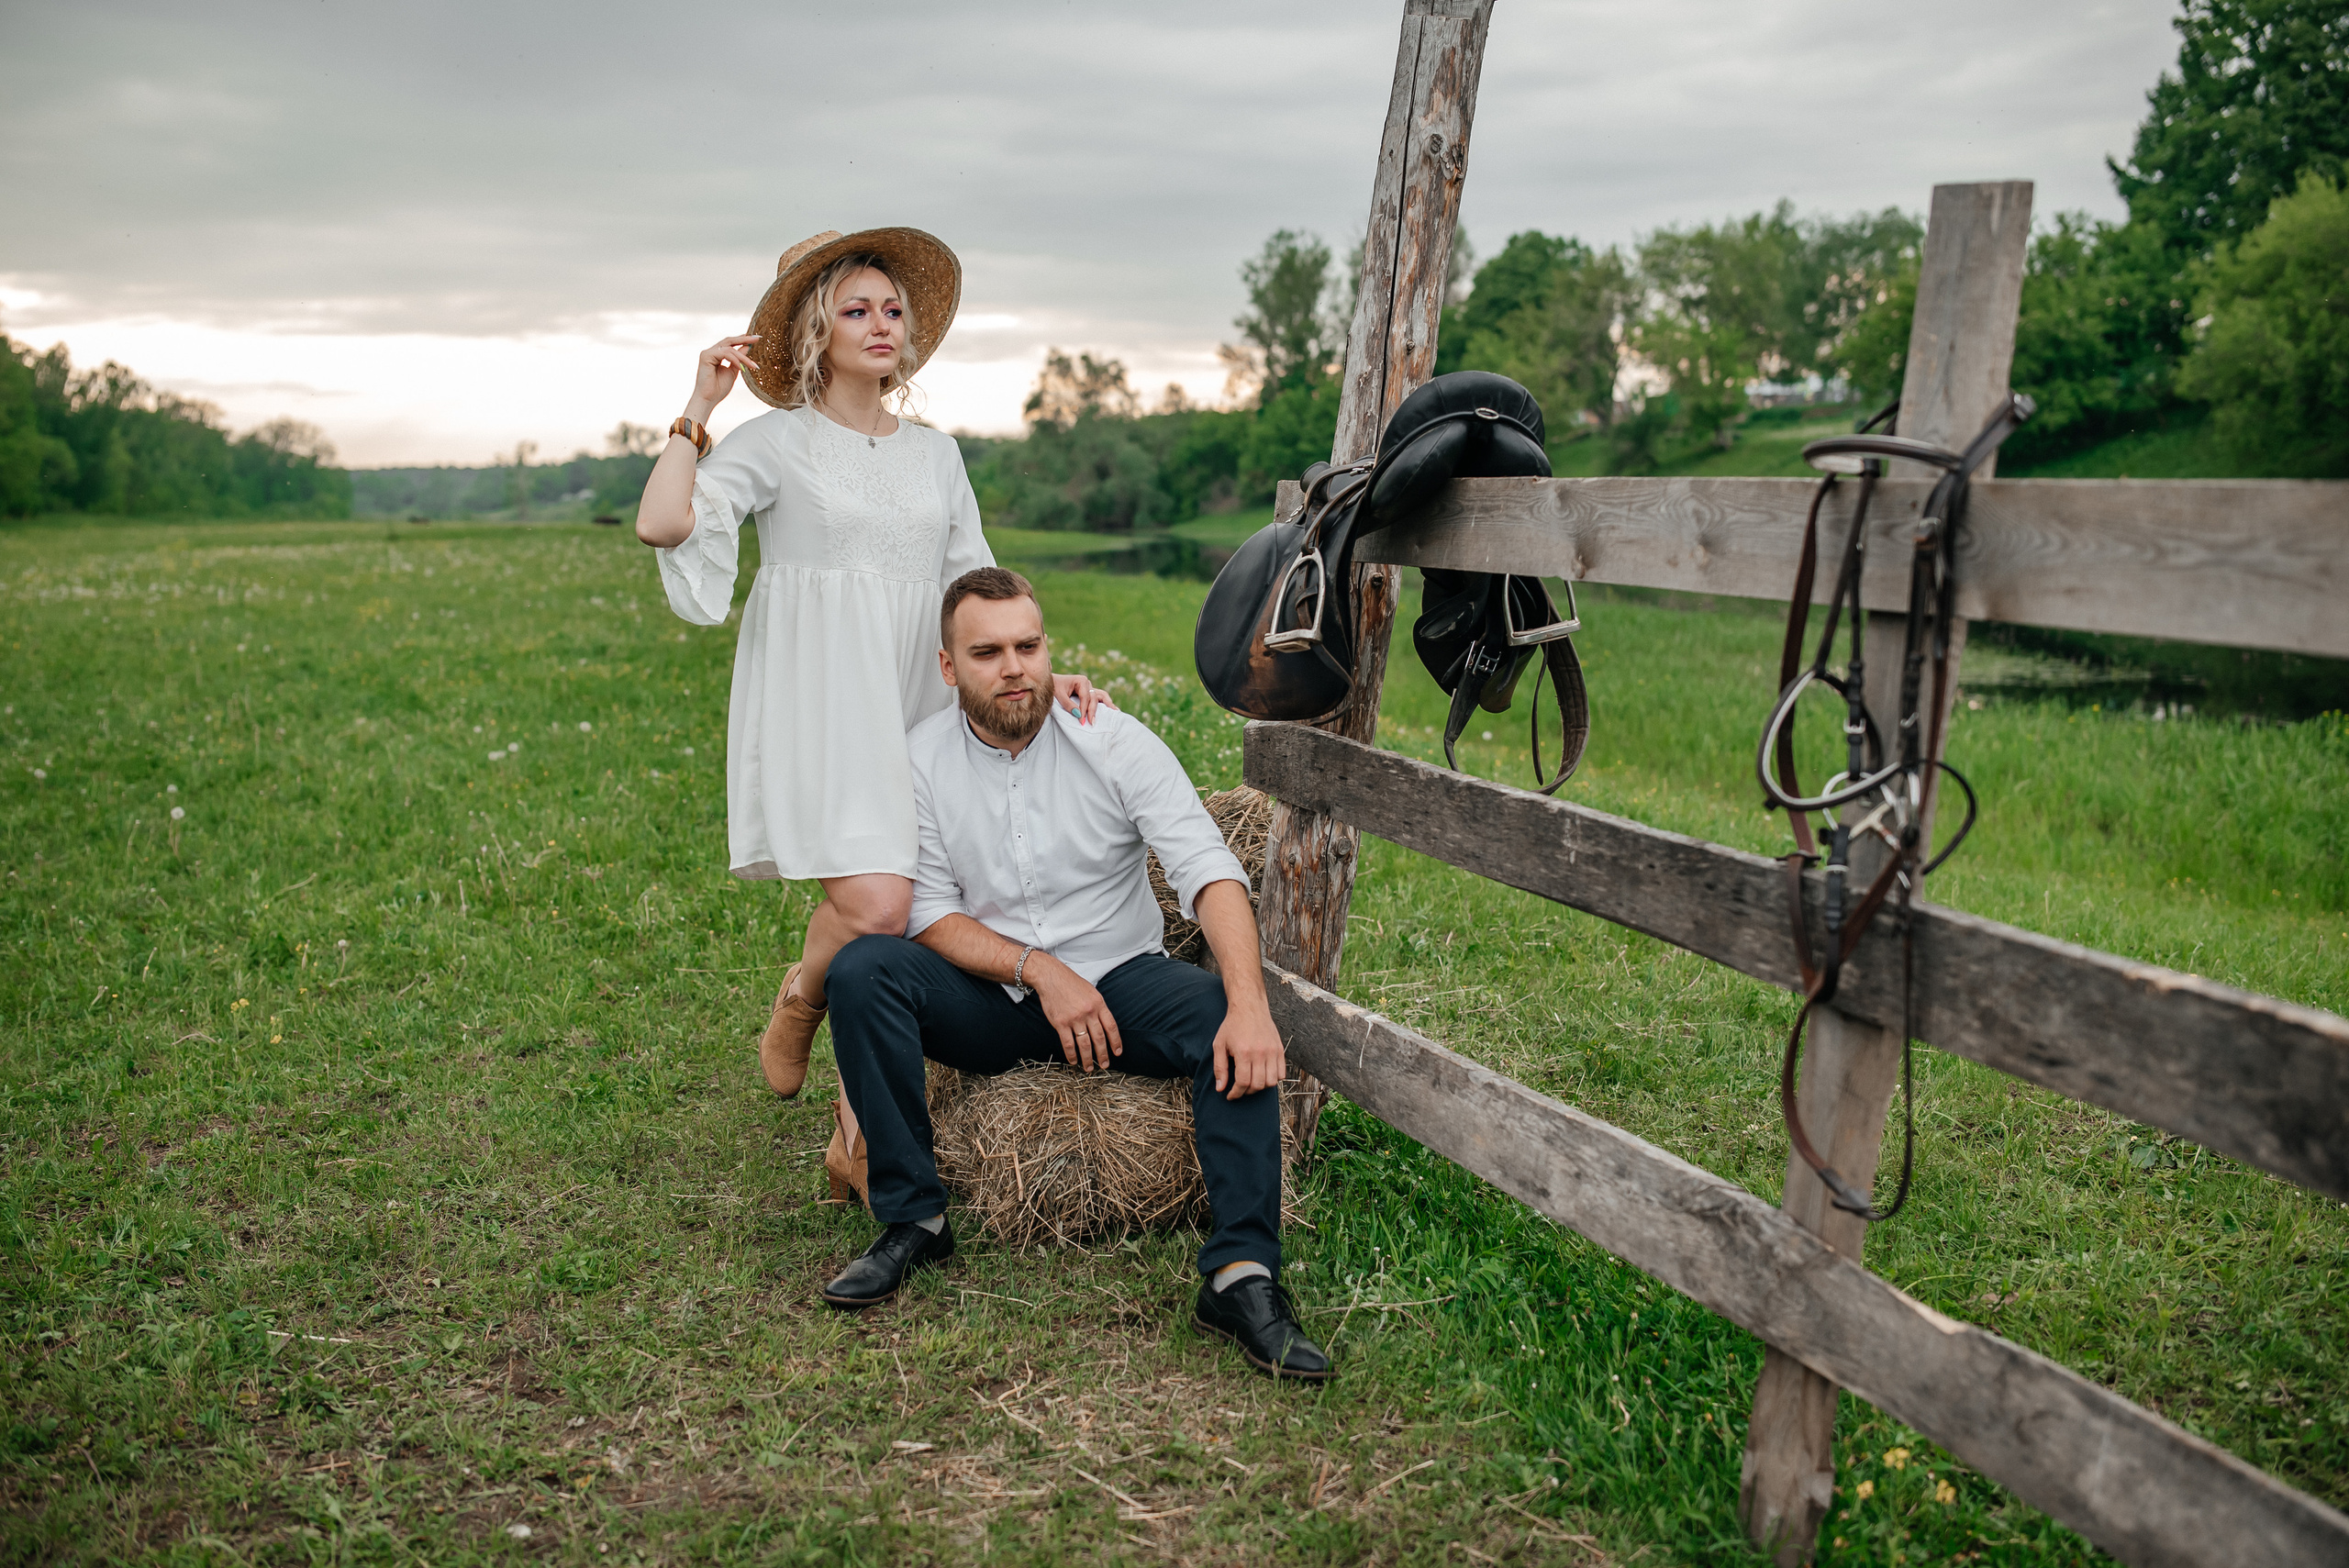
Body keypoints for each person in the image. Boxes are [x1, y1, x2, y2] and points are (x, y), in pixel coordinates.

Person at [817, 566, 1334, 1385]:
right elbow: (928, 911)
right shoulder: (917, 761)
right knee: (864, 970)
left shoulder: (1112, 738)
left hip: (1123, 982)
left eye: (1029, 645)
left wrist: (1250, 1003)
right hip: (994, 1001)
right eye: (987, 652)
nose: (1014, 667)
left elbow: (1207, 869)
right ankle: (914, 1217)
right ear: (949, 668)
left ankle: (1241, 1276)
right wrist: (1037, 969)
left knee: (1220, 1017)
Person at [633, 228, 1097, 1103]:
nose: (881, 324)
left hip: (920, 692)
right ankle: (803, 997)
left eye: (893, 309)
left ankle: (860, 1128)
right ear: (818, 330)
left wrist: (1035, 670)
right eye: (857, 309)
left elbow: (975, 583)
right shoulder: (777, 443)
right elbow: (664, 523)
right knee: (879, 907)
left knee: (916, 910)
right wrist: (699, 407)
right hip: (829, 699)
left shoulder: (937, 453)